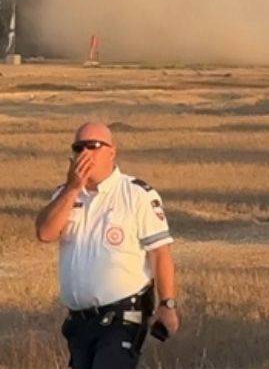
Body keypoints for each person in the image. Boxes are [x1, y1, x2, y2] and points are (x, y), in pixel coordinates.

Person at [35, 122, 179, 369]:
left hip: (122, 317)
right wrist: (72, 188)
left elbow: (160, 253)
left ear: (112, 152)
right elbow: (45, 233)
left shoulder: (136, 194)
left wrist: (167, 304)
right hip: (79, 322)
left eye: (93, 146)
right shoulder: (64, 195)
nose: (85, 153)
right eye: (78, 147)